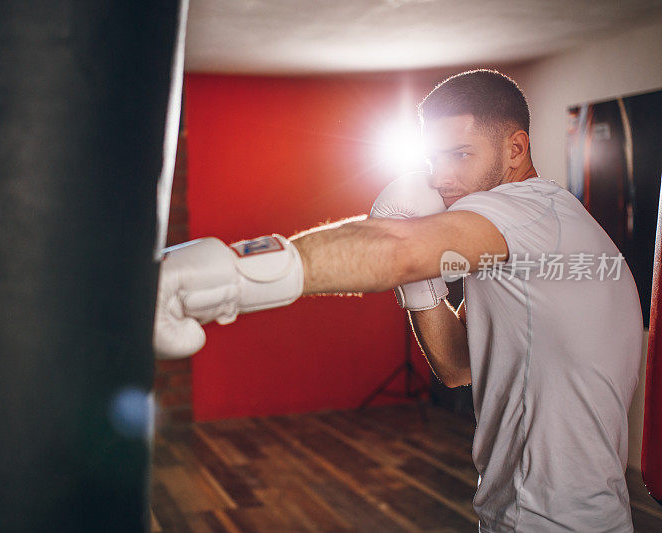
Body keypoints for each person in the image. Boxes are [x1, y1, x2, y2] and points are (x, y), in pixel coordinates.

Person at [153, 70, 643, 532]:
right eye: (434, 159)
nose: (441, 178)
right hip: (544, 510)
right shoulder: (538, 231)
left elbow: (396, 252)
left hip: (549, 518)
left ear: (515, 149)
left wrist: (228, 271)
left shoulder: (521, 210)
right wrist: (420, 277)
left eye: (461, 154)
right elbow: (455, 365)